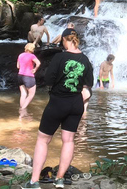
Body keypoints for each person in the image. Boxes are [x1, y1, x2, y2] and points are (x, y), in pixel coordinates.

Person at [24, 28, 93, 189]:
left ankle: (34, 182)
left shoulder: (59, 57)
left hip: (58, 102)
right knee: (68, 141)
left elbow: (48, 79)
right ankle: (60, 179)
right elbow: (88, 83)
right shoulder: (85, 59)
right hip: (76, 104)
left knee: (43, 139)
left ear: (64, 40)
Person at [17, 43, 41, 110]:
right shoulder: (32, 56)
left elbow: (18, 66)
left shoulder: (20, 55)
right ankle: (23, 110)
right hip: (28, 77)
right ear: (32, 49)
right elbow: (38, 63)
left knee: (23, 94)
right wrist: (35, 69)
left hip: (20, 76)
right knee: (31, 95)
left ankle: (21, 113)